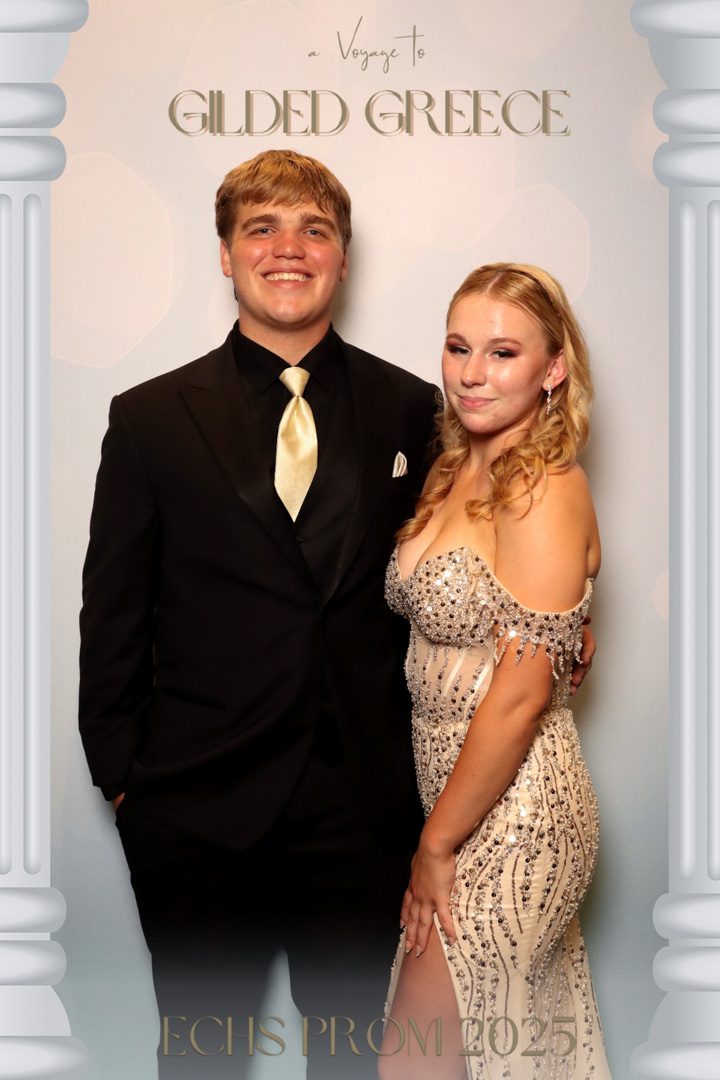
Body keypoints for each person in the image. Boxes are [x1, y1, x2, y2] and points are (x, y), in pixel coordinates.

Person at [78, 151, 594, 1080]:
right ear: (225, 254)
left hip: (364, 814)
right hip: (194, 815)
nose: (289, 248)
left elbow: (491, 558)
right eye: (262, 229)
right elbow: (112, 612)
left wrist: (566, 626)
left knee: (357, 1060)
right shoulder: (148, 419)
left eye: (314, 230)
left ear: (343, 258)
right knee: (200, 1060)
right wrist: (126, 785)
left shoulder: (416, 409)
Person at [382, 264, 610, 1079]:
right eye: (458, 348)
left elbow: (521, 695)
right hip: (457, 801)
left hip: (516, 817)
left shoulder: (543, 486)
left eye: (503, 352)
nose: (472, 373)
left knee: (419, 1064)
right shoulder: (455, 470)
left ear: (553, 369)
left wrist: (435, 845)